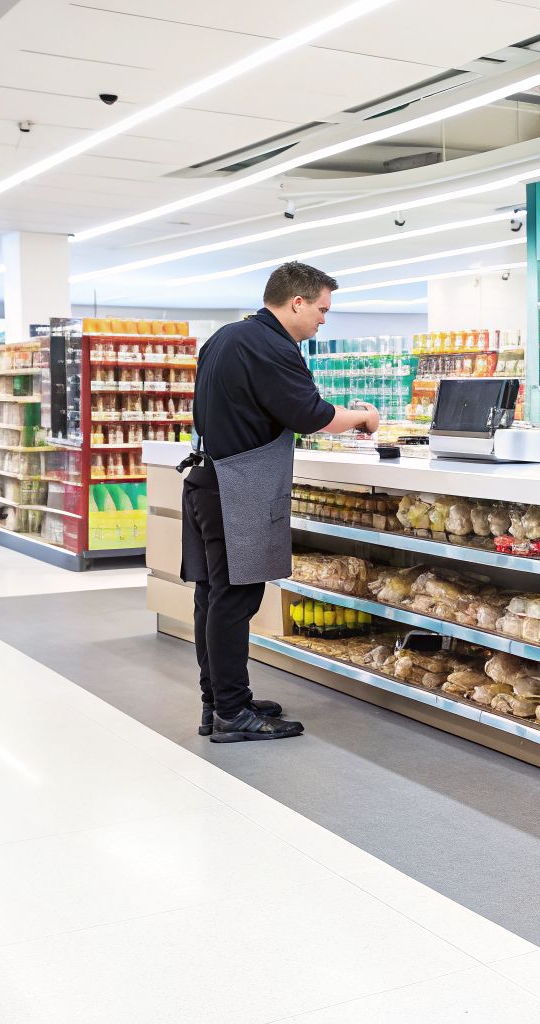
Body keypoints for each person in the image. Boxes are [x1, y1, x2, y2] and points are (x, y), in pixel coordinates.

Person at [179, 262, 378, 742]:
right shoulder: (272, 346)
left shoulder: (228, 336)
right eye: (322, 310)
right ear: (297, 303)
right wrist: (361, 418)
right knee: (235, 598)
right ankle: (232, 715)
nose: (323, 321)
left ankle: (220, 701)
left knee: (213, 595)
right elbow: (311, 415)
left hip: (208, 477)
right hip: (237, 486)